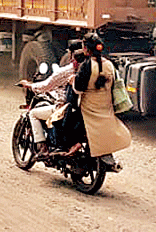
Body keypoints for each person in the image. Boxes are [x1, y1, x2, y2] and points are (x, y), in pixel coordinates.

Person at [65, 33, 130, 170]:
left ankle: (74, 144)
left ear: (86, 49)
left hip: (88, 108)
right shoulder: (110, 65)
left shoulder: (86, 65)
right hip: (106, 107)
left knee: (67, 118)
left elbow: (79, 89)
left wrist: (72, 81)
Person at [17, 44, 84, 158]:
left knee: (33, 114)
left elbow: (46, 85)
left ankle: (42, 148)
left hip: (65, 109)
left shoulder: (66, 71)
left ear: (71, 54)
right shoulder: (94, 69)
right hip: (87, 108)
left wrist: (29, 85)